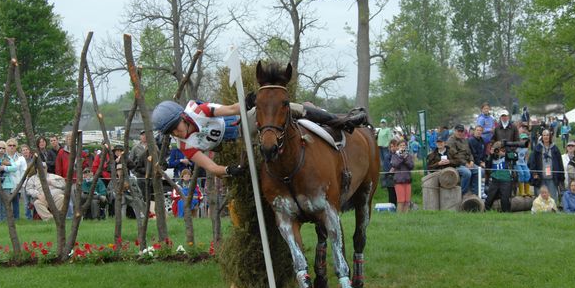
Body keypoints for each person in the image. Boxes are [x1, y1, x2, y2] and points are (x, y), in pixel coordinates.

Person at [152, 99, 367, 178]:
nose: (176, 133)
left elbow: (230, 109)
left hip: (241, 126)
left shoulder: (200, 110)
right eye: (171, 132)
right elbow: (210, 166)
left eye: (175, 127)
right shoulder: (184, 146)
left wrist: (246, 104)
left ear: (183, 117)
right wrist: (229, 170)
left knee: (282, 107)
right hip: (231, 148)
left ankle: (339, 121)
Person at [529, 129, 564, 201]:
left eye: (547, 135)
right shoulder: (537, 148)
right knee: (540, 198)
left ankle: (552, 210)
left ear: (550, 136)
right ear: (542, 137)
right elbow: (532, 162)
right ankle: (540, 211)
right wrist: (534, 173)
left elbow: (560, 163)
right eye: (544, 135)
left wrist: (561, 176)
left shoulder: (555, 148)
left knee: (552, 198)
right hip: (540, 178)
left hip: (552, 178)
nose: (546, 137)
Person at [447, 124, 477, 196]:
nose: (460, 133)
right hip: (456, 164)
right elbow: (455, 155)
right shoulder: (450, 141)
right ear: (455, 131)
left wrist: (472, 161)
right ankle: (462, 193)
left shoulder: (465, 140)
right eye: (458, 131)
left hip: (467, 162)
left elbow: (469, 152)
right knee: (467, 173)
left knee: (480, 171)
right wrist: (465, 164)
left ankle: (474, 193)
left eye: (461, 131)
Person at [484, 141, 513, 212]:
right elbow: (487, 166)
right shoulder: (492, 157)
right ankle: (485, 212)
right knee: (489, 198)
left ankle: (506, 214)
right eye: (496, 149)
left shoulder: (506, 155)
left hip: (506, 179)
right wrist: (490, 155)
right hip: (495, 180)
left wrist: (504, 153)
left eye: (498, 149)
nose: (497, 151)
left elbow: (515, 156)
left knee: (505, 199)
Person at [389, 140, 414, 213]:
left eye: (404, 145)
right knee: (401, 200)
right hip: (398, 180)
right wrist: (401, 157)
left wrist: (405, 158)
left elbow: (411, 166)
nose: (403, 147)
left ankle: (405, 217)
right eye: (401, 145)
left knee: (407, 201)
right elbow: (395, 164)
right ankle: (399, 216)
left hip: (407, 180)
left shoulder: (408, 156)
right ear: (398, 147)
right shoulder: (394, 155)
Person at [6, 138, 28, 220]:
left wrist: (22, 183)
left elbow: (24, 171)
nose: (12, 147)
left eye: (14, 145)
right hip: (6, 183)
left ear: (16, 147)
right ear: (7, 146)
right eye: (10, 145)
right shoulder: (4, 157)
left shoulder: (20, 158)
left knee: (16, 203)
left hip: (16, 183)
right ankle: (6, 218)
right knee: (6, 202)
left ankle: (16, 218)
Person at [515, 133, 532, 197]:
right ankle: (521, 191)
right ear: (520, 140)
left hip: (523, 163)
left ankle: (527, 191)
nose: (524, 140)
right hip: (517, 163)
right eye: (523, 139)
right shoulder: (517, 147)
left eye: (525, 139)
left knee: (527, 174)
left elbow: (526, 156)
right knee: (521, 174)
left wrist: (526, 164)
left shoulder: (526, 147)